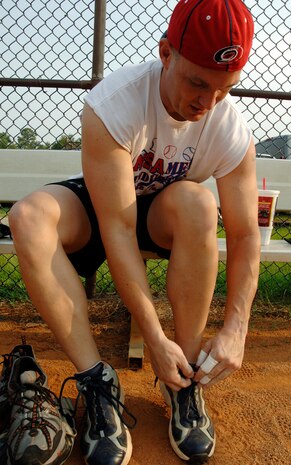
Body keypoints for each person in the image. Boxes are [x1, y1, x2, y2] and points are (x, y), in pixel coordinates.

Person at [8, 0, 260, 464]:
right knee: (28, 217)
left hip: (163, 212)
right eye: (197, 82)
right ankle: (97, 381)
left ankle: (182, 380)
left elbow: (245, 235)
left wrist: (236, 329)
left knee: (199, 203)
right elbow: (117, 229)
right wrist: (151, 335)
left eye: (223, 90)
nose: (206, 104)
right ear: (166, 53)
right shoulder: (115, 102)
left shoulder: (228, 127)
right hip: (107, 206)